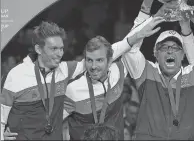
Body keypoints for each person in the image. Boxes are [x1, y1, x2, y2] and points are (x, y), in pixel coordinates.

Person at [0, 20, 145, 140]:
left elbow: (103, 55)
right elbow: (2, 115)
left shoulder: (64, 70)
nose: (59, 54)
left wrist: (134, 37)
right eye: (54, 49)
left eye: (61, 48)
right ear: (39, 49)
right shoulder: (15, 75)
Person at [121, 0, 194, 140]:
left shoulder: (193, 75)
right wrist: (153, 15)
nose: (170, 51)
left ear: (183, 54)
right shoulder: (146, 71)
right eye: (164, 47)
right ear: (155, 54)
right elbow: (128, 48)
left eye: (176, 48)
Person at [63, 19, 163, 140]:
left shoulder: (118, 72)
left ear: (110, 61)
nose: (93, 67)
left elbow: (130, 46)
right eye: (89, 60)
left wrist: (148, 14)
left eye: (99, 60)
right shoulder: (73, 89)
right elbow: (50, 124)